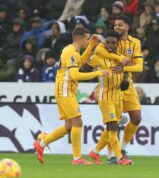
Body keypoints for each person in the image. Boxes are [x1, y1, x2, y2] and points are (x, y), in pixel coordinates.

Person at [33, 28, 109, 165]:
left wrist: (91, 45)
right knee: (78, 122)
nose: (87, 41)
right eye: (86, 39)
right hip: (65, 90)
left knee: (69, 126)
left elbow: (80, 63)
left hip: (66, 89)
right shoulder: (70, 52)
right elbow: (75, 75)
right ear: (79, 39)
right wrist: (98, 73)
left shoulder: (72, 51)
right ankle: (77, 158)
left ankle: (41, 144)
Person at [94, 15, 143, 160]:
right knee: (114, 122)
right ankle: (111, 155)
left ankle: (122, 148)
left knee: (136, 117)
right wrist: (120, 59)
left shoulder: (135, 43)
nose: (117, 28)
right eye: (115, 25)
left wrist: (125, 70)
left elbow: (139, 67)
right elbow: (98, 51)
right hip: (111, 85)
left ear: (127, 26)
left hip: (127, 84)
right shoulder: (109, 41)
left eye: (120, 25)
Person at [86, 31, 133, 165]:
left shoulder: (121, 57)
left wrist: (125, 79)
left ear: (118, 44)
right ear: (104, 43)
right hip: (105, 96)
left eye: (114, 43)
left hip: (118, 95)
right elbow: (84, 64)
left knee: (111, 127)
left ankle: (95, 152)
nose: (111, 45)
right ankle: (120, 158)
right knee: (113, 126)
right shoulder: (98, 56)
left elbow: (127, 68)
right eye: (108, 42)